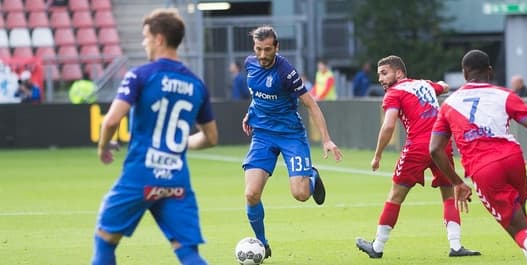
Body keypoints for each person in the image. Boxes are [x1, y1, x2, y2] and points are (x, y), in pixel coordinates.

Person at [430, 49, 527, 265]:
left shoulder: (449, 104)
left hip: (484, 168)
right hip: (513, 158)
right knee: (522, 218)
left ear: (464, 73)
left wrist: (457, 183)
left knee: (517, 228)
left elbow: (435, 149)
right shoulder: (505, 95)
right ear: (490, 71)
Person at [92, 8, 218, 265]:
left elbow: (112, 120)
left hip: (141, 175)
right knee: (188, 253)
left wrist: (104, 146)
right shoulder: (196, 84)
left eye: (146, 36)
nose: (143, 42)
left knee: (104, 241)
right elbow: (211, 138)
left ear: (159, 39)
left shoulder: (140, 75)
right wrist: (179, 144)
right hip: (176, 180)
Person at [355, 55, 480, 259]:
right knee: (448, 194)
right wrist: (438, 85)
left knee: (396, 196)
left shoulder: (394, 93)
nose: (380, 79)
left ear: (399, 72)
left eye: (384, 73)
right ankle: (456, 245)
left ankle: (377, 247)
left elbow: (388, 125)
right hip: (442, 144)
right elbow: (444, 86)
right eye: (379, 75)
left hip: (418, 147)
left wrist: (377, 155)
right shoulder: (424, 84)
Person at [241, 25, 343, 261]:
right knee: (251, 194)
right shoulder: (249, 64)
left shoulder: (286, 72)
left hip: (290, 135)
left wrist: (326, 139)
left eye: (268, 49)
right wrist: (250, 112)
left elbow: (312, 105)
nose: (263, 55)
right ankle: (262, 244)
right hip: (262, 135)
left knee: (300, 194)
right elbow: (257, 96)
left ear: (277, 47)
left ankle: (312, 176)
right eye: (259, 49)